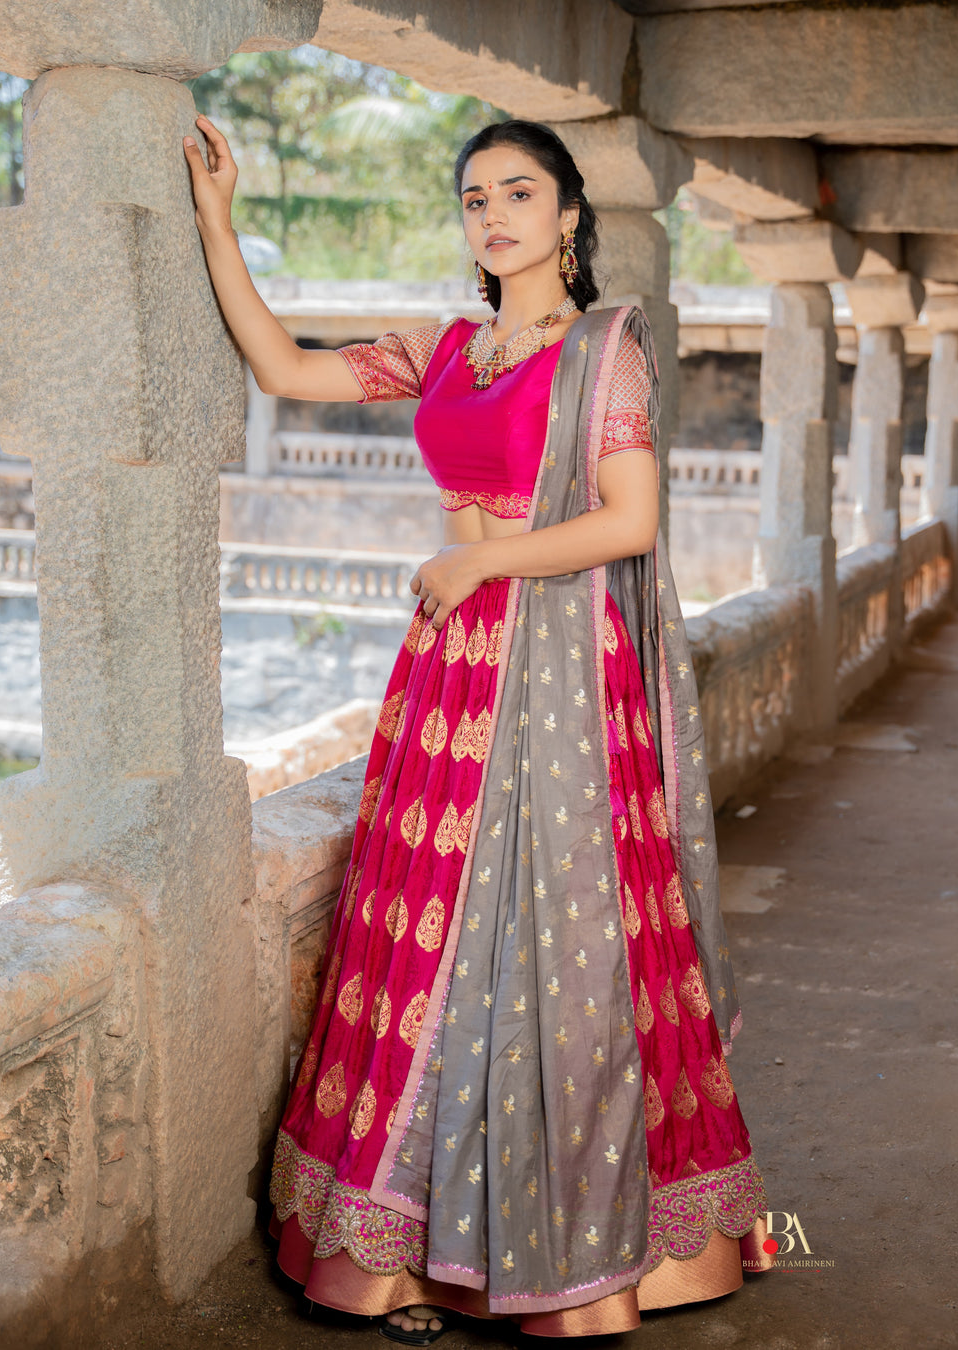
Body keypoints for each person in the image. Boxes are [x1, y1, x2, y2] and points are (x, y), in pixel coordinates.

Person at [184, 112, 773, 1344]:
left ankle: (569, 1249)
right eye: (472, 197)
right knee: (428, 942)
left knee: (553, 946)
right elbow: (287, 371)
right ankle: (415, 1252)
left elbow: (631, 522)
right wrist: (217, 224)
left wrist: (476, 574)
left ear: (568, 216)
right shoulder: (447, 349)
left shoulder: (602, 349)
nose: (493, 214)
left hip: (555, 674)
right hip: (450, 680)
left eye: (518, 192)